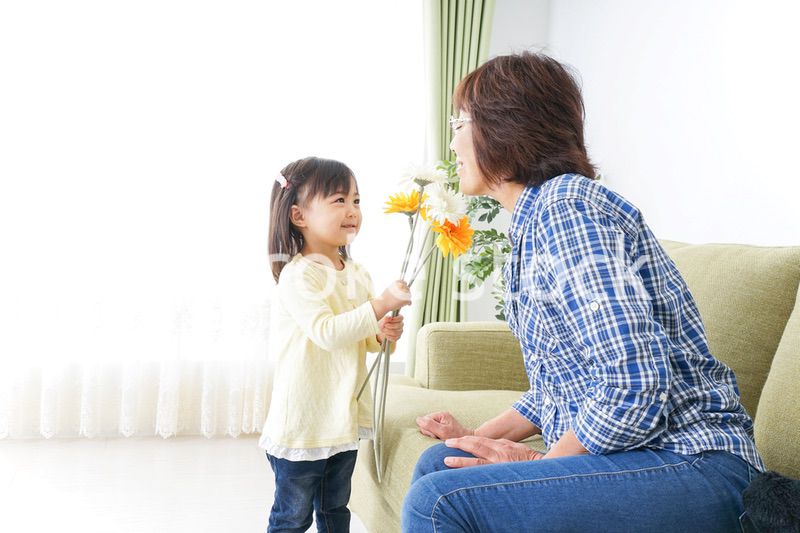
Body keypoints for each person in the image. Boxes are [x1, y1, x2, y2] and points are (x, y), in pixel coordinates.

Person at [403, 52, 765, 532]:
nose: (452, 142)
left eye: (460, 123)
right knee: (442, 463)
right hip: (653, 458)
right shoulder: (540, 220)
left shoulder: (566, 211)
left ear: (504, 127)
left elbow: (634, 383)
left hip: (695, 465)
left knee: (439, 501)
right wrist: (475, 438)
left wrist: (543, 466)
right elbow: (558, 388)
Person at [261, 156, 411, 532]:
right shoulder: (298, 276)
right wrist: (380, 305)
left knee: (335, 511)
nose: (352, 210)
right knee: (292, 517)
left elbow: (363, 337)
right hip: (305, 423)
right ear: (299, 216)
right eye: (338, 200)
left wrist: (383, 334)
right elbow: (327, 332)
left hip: (342, 419)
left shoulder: (357, 273)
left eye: (356, 200)